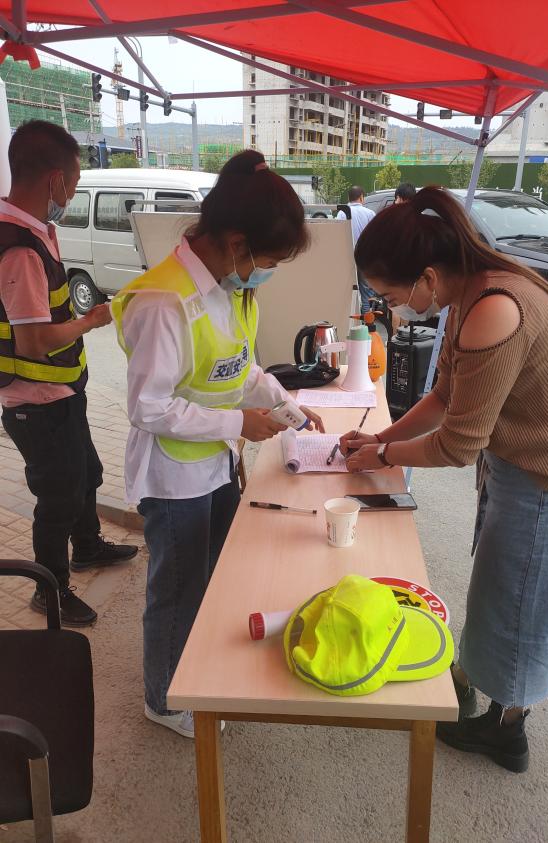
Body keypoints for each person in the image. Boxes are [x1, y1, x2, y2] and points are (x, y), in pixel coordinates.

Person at [340, 186, 548, 773]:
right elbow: (444, 395)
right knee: (501, 589)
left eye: (390, 294)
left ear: (427, 277)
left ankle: (507, 730)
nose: (392, 306)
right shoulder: (468, 293)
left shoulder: (494, 307)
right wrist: (382, 439)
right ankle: (472, 679)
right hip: (528, 465)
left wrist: (381, 457)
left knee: (526, 603)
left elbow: (457, 444)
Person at [112, 150, 324, 739]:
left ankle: (199, 667)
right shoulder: (164, 302)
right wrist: (237, 424)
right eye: (269, 261)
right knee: (177, 590)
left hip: (214, 463)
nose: (267, 273)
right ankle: (164, 699)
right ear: (236, 245)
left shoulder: (230, 287)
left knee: (213, 573)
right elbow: (147, 407)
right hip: (172, 475)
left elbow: (239, 367)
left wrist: (285, 405)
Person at [0, 121, 138, 627]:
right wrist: (91, 320)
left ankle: (88, 546)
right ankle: (50, 588)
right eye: (74, 184)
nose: (72, 195)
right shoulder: (19, 248)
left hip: (61, 388)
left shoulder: (36, 231)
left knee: (86, 475)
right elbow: (33, 341)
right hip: (35, 402)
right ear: (55, 179)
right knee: (57, 496)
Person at [336, 185, 376, 313]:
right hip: (365, 259)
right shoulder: (370, 214)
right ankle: (367, 321)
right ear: (361, 197)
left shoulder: (342, 213)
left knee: (349, 292)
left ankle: (351, 320)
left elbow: (338, 236)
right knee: (367, 292)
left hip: (347, 259)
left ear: (349, 198)